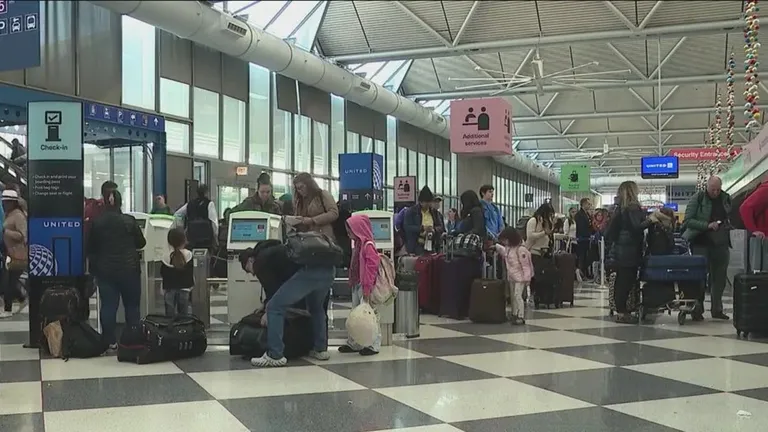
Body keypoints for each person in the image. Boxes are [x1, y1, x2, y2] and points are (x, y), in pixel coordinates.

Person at [242, 242, 334, 367]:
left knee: (274, 308)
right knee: (316, 308)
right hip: (328, 271)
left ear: (250, 260)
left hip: (308, 274)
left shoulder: (259, 262)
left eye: (248, 269)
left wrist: (267, 311)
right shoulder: (275, 250)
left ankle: (275, 355)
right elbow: (279, 284)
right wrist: (265, 304)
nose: (252, 274)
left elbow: (273, 289)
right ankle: (320, 349)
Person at [88, 189, 147, 348]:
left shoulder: (97, 222)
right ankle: (133, 338)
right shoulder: (129, 220)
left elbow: (91, 247)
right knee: (132, 306)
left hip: (106, 271)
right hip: (130, 270)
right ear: (120, 202)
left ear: (104, 203)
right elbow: (141, 243)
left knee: (108, 306)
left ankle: (109, 341)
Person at [682, 175, 732, 320]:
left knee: (719, 278)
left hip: (721, 243)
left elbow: (730, 216)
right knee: (699, 278)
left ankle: (717, 309)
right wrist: (707, 225)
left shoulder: (726, 198)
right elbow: (688, 221)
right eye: (712, 189)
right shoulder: (698, 198)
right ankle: (697, 309)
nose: (715, 192)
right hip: (701, 242)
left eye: (718, 189)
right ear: (707, 187)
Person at [605, 181, 649, 323]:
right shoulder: (633, 208)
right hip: (630, 249)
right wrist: (650, 221)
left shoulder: (619, 208)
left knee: (620, 280)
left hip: (620, 248)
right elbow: (637, 227)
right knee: (627, 280)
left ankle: (620, 310)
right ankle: (623, 312)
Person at [338, 214, 381, 356]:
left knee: (370, 315)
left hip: (365, 286)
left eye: (350, 230)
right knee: (356, 314)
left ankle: (374, 344)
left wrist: (367, 288)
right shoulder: (358, 245)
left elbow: (371, 269)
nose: (348, 234)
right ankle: (355, 341)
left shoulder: (368, 246)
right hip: (358, 284)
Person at [495, 227, 533, 325]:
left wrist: (527, 278)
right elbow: (505, 254)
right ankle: (515, 313)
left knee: (517, 296)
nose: (504, 242)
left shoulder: (521, 250)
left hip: (520, 278)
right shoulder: (509, 248)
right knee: (514, 297)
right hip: (512, 277)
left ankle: (520, 316)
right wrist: (496, 247)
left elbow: (526, 266)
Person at [0, 190, 26, 319]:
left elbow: (22, 235)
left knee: (9, 283)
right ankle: (21, 298)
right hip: (9, 253)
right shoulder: (8, 214)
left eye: (6, 201)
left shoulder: (18, 216)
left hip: (17, 253)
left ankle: (8, 308)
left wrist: (6, 231)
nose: (4, 204)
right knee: (10, 281)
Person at [293, 173, 339, 239]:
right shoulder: (299, 200)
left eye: (301, 187)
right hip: (305, 236)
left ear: (308, 185)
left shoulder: (322, 194)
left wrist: (313, 220)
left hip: (323, 236)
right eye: (297, 189)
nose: (300, 191)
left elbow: (334, 213)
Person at [160, 228, 193, 317]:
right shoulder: (188, 255)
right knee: (183, 316)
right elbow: (190, 273)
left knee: (169, 316)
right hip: (184, 290)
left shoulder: (165, 256)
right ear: (184, 240)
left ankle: (170, 330)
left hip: (169, 290)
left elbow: (163, 273)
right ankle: (182, 330)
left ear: (169, 241)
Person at [174, 184, 218, 250]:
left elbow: (177, 214)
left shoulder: (190, 203)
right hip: (206, 239)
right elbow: (214, 222)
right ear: (207, 193)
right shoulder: (209, 204)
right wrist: (216, 237)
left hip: (192, 238)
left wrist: (182, 228)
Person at [403, 186, 444, 254]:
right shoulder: (411, 212)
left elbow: (441, 227)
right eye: (426, 203)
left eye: (429, 202)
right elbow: (407, 227)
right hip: (417, 246)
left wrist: (433, 229)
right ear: (421, 202)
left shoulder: (435, 213)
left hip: (432, 245)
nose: (428, 205)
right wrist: (422, 228)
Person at [575, 198, 594, 280]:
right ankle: (581, 274)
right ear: (584, 204)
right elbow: (581, 227)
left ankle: (586, 273)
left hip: (587, 239)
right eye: (588, 204)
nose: (590, 205)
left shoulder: (587, 214)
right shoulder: (579, 215)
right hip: (581, 239)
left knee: (587, 257)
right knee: (582, 257)